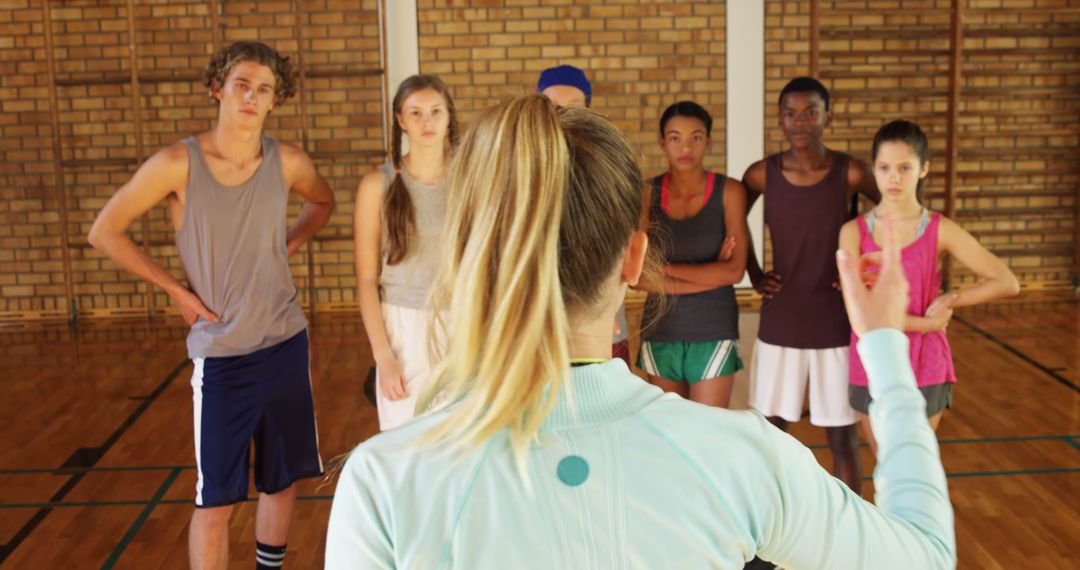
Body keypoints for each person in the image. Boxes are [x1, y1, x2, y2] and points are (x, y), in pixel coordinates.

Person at [325, 95, 955, 569]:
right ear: (634, 260)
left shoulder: (385, 482)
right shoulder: (742, 457)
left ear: (465, 255)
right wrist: (885, 351)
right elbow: (923, 555)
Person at [88, 41, 334, 569]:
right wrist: (178, 292)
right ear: (217, 88)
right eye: (241, 84)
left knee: (282, 477)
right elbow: (104, 231)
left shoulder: (287, 160)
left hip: (286, 342)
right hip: (224, 355)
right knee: (216, 498)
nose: (251, 96)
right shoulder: (177, 163)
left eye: (263, 89)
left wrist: (282, 246)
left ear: (276, 100)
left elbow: (323, 201)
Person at [840, 119, 1019, 454]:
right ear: (873, 171)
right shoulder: (852, 232)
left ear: (924, 169)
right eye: (884, 167)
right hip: (873, 361)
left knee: (915, 461)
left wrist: (952, 299)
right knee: (886, 469)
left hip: (926, 363)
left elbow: (1006, 281)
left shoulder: (940, 229)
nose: (893, 177)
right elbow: (860, 315)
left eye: (904, 167)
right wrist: (929, 323)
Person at [741, 76, 880, 492]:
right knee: (772, 432)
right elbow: (732, 216)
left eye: (810, 112)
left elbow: (896, 209)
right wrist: (754, 272)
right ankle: (768, 531)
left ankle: (849, 532)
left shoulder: (850, 172)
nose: (799, 122)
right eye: (790, 114)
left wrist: (865, 272)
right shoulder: (762, 174)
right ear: (780, 120)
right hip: (781, 315)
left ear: (827, 117)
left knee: (842, 437)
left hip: (835, 321)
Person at [355, 74, 458, 431]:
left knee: (461, 442)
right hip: (404, 328)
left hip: (463, 319)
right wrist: (383, 357)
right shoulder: (378, 185)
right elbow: (367, 280)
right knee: (406, 443)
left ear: (449, 117)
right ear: (400, 120)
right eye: (415, 113)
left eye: (435, 111)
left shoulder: (471, 178)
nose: (426, 122)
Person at [636, 101, 748, 408]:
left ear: (708, 141)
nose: (686, 147)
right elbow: (637, 275)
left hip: (714, 327)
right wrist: (712, 275)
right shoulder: (647, 193)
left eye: (695, 137)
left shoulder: (731, 192)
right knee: (667, 435)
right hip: (662, 328)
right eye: (675, 137)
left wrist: (663, 270)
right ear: (662, 142)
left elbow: (735, 272)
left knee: (709, 436)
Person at [537, 63, 633, 365]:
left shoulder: (607, 161)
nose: (564, 114)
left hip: (596, 302)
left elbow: (619, 235)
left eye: (573, 106)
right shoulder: (527, 162)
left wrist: (606, 305)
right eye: (554, 106)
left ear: (589, 109)